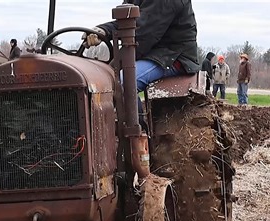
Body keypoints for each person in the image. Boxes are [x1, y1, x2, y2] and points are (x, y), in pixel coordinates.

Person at [83, 0, 200, 130]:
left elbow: (143, 34)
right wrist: (103, 30)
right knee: (102, 77)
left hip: (172, 55)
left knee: (122, 82)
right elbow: (126, 21)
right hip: (154, 51)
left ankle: (137, 134)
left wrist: (115, 66)